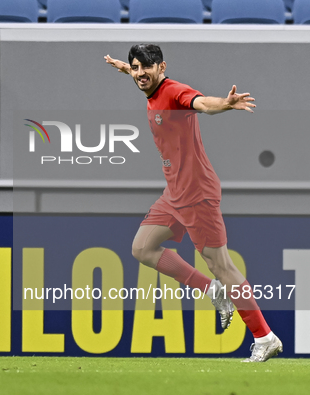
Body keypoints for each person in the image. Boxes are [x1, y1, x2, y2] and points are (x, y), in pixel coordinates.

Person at [104, 44, 281, 362]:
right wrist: (126, 69)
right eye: (135, 68)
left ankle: (264, 337)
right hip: (174, 193)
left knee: (222, 266)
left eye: (147, 67)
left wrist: (224, 105)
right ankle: (212, 291)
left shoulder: (173, 92)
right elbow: (140, 75)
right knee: (142, 248)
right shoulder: (150, 87)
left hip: (196, 193)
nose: (140, 73)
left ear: (162, 66)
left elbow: (201, 103)